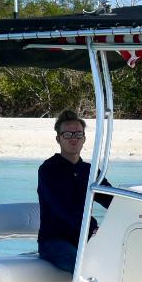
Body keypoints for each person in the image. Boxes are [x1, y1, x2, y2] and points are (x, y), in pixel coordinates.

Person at [37, 110, 109, 273]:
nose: (73, 138)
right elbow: (63, 208)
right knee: (86, 269)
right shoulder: (48, 170)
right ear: (58, 139)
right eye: (67, 134)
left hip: (85, 239)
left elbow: (111, 199)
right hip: (54, 242)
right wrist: (93, 227)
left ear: (84, 138)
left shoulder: (89, 171)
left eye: (78, 134)